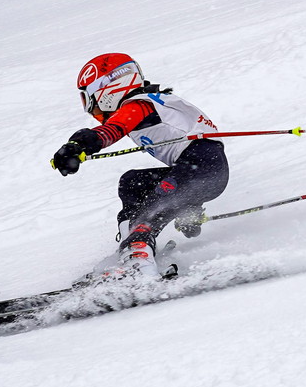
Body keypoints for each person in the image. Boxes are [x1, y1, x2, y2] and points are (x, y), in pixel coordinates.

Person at [50, 53, 229, 279]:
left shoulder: (139, 105)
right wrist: (189, 208)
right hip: (197, 171)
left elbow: (111, 131)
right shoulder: (150, 102)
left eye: (89, 99)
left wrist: (77, 145)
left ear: (107, 89)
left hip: (202, 169)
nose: (91, 109)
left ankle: (139, 265)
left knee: (150, 210)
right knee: (131, 182)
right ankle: (130, 248)